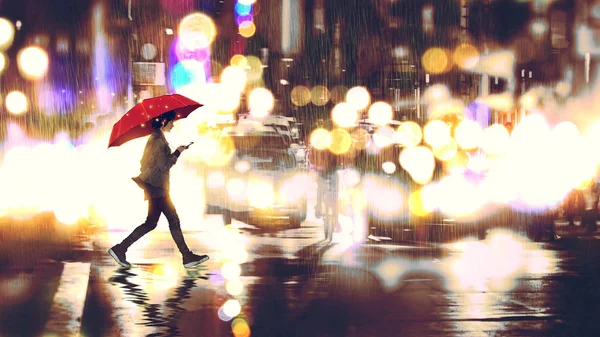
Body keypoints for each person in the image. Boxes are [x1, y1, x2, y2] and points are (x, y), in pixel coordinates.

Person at [108, 110, 209, 269]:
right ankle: (187, 256)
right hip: (157, 188)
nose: (173, 125)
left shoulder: (156, 138)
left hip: (155, 186)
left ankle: (120, 248)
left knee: (151, 223)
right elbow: (164, 165)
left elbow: (146, 162)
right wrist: (178, 152)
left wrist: (174, 151)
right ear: (163, 122)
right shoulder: (158, 141)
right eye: (171, 122)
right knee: (172, 220)